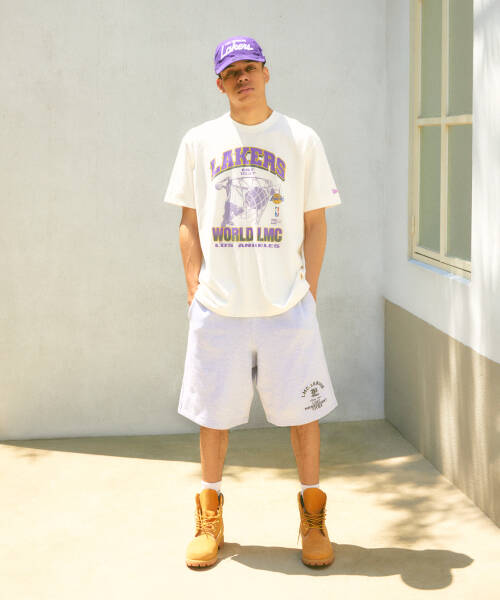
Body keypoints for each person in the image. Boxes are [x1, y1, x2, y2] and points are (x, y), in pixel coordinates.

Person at [163, 36, 342, 569]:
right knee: (212, 417)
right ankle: (209, 517)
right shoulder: (199, 141)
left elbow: (315, 221)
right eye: (231, 72)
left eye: (250, 68)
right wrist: (193, 289)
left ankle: (313, 517)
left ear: (266, 72)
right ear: (219, 83)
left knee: (304, 416)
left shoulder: (301, 139)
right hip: (219, 310)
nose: (242, 77)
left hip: (287, 308)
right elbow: (188, 220)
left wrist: (309, 291)